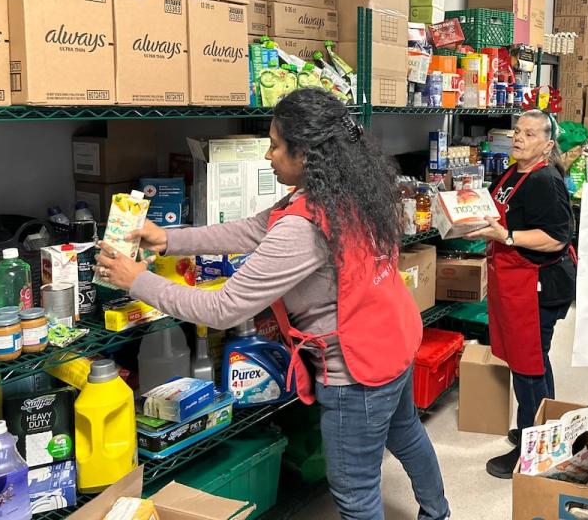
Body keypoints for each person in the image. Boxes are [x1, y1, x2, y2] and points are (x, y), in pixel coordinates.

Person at [96, 89, 451, 520]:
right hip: (395, 339)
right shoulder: (344, 191)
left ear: (306, 154)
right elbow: (253, 229)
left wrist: (139, 282)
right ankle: (438, 513)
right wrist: (169, 238)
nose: (268, 155)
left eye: (276, 145)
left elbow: (224, 309)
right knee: (407, 432)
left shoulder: (304, 225)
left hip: (357, 369)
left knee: (355, 492)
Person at [467, 110, 576, 479]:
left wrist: (508, 238)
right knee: (531, 360)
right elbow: (501, 216)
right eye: (517, 131)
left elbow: (557, 237)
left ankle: (531, 450)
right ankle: (545, 428)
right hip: (514, 283)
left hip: (536, 286)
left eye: (529, 134)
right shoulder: (515, 171)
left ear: (547, 144)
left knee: (528, 366)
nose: (518, 138)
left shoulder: (546, 180)